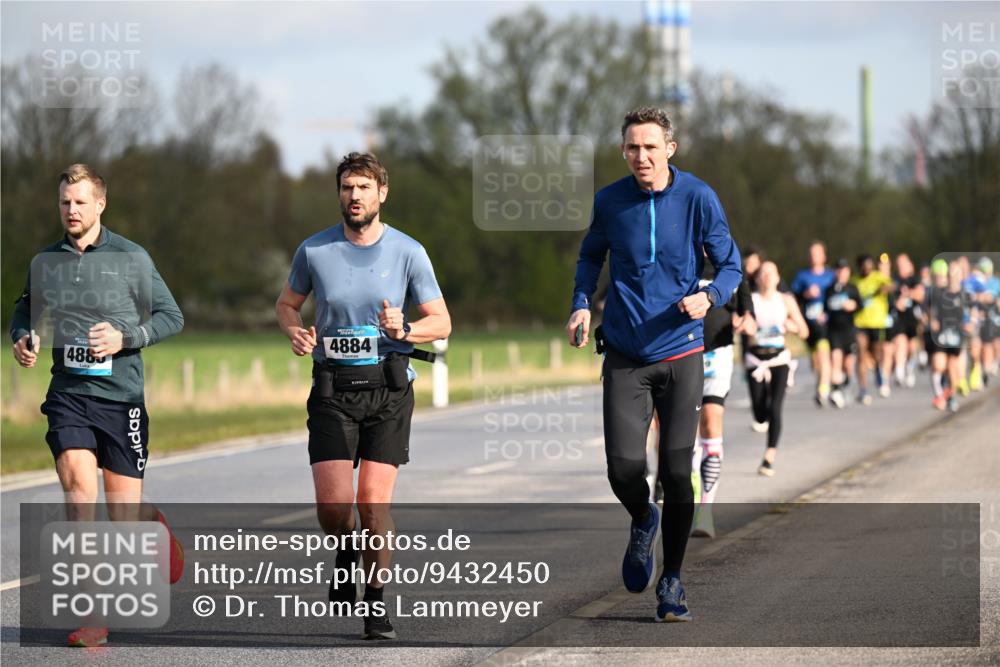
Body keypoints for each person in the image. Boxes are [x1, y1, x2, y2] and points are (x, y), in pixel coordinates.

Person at [567, 107, 741, 623]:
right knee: (622, 469)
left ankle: (672, 580)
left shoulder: (697, 198)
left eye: (649, 146)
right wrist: (580, 300)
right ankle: (643, 518)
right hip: (624, 352)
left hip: (683, 350)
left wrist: (710, 296)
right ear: (623, 151)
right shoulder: (610, 201)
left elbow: (729, 265)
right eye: (631, 148)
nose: (640, 156)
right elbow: (589, 256)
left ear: (670, 148)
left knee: (675, 470)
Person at [275, 152, 451, 640]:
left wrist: (407, 327)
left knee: (373, 504)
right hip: (332, 390)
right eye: (347, 188)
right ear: (339, 194)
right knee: (334, 510)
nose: (354, 196)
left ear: (382, 193)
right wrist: (294, 331)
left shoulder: (408, 252)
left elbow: (443, 321)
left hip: (388, 390)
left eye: (363, 188)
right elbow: (287, 304)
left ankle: (374, 602)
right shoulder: (315, 251)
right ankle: (346, 548)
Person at [9, 164, 185, 647]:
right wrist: (23, 337)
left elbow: (172, 316)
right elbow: (26, 309)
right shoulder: (46, 261)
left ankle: (152, 522)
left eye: (80, 202)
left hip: (121, 399)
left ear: (100, 204)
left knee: (122, 517)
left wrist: (126, 337)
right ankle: (93, 616)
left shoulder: (132, 258)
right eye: (65, 202)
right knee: (79, 496)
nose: (71, 210)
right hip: (68, 395)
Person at [691, 260, 755, 537]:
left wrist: (746, 321)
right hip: (683, 353)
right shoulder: (682, 258)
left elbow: (748, 314)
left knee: (711, 422)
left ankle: (705, 510)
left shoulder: (730, 266)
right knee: (685, 434)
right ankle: (690, 502)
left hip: (718, 354)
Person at [745, 261, 808, 476]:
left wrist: (794, 326)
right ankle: (762, 422)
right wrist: (745, 326)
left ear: (778, 277)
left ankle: (769, 457)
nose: (767, 277)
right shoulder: (750, 300)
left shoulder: (786, 300)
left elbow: (804, 331)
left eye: (771, 273)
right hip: (755, 360)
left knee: (775, 408)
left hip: (779, 359)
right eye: (763, 273)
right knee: (760, 413)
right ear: (757, 278)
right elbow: (740, 324)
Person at [790, 241, 835, 406]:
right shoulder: (802, 276)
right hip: (808, 323)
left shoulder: (831, 276)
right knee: (815, 359)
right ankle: (822, 381)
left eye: (817, 253)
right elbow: (793, 297)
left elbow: (836, 296)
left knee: (824, 353)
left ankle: (823, 388)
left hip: (825, 322)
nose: (814, 256)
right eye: (811, 253)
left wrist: (827, 312)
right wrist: (805, 293)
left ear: (824, 255)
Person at [926, 260, 971, 412]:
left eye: (955, 273)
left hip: (956, 335)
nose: (952, 276)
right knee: (938, 364)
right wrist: (932, 320)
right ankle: (939, 395)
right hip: (941, 335)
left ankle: (949, 396)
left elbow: (972, 312)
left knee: (953, 370)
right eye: (950, 273)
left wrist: (971, 323)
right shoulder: (938, 292)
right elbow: (930, 309)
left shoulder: (964, 294)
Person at [852, 254, 894, 404]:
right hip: (860, 323)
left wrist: (883, 289)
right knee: (861, 354)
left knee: (877, 354)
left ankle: (878, 371)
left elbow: (891, 285)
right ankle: (863, 389)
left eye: (869, 265)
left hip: (877, 323)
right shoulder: (855, 281)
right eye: (864, 265)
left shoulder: (878, 277)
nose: (866, 268)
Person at [824, 258, 861, 409]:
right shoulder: (829, 289)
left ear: (848, 272)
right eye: (838, 270)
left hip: (849, 329)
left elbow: (861, 305)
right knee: (835, 359)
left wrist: (853, 305)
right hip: (834, 330)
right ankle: (836, 391)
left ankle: (846, 382)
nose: (841, 273)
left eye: (844, 270)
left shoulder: (852, 288)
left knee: (848, 364)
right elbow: (825, 308)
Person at [888, 253, 924, 388]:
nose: (901, 267)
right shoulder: (895, 280)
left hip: (912, 317)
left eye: (904, 264)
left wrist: (908, 294)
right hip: (899, 318)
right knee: (900, 342)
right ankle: (899, 371)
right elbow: (892, 296)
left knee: (912, 347)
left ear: (910, 265)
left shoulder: (915, 279)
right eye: (899, 264)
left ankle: (909, 368)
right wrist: (898, 302)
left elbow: (920, 295)